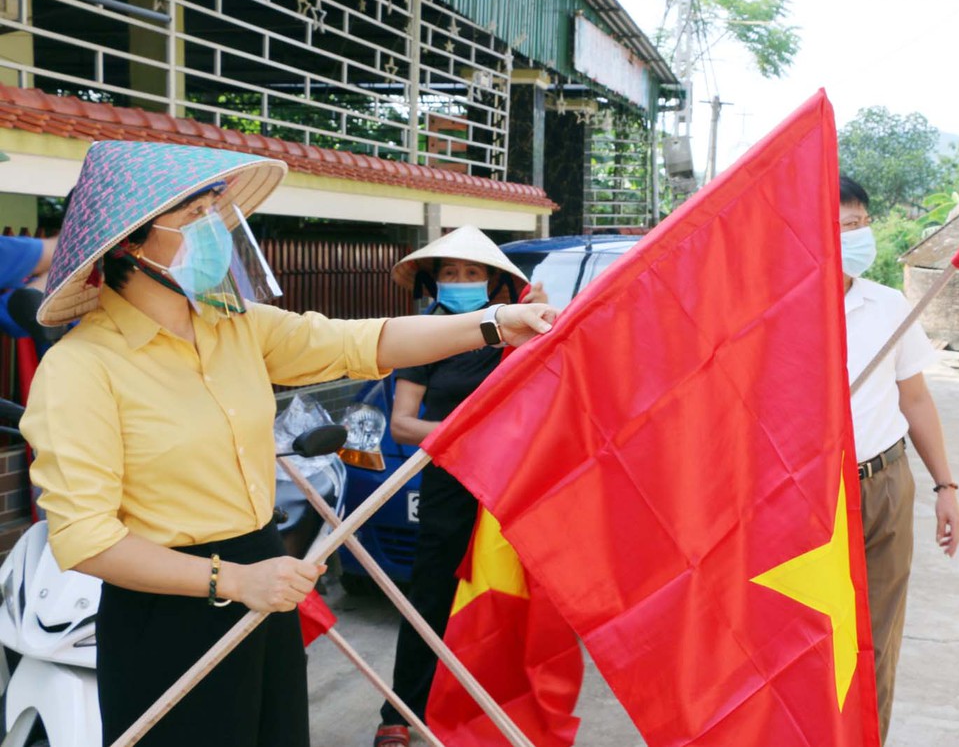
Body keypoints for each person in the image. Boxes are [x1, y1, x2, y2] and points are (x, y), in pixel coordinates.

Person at [19, 141, 557, 747]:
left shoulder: (235, 324)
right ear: (131, 246)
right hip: (169, 605)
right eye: (195, 216)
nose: (215, 232)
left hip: (266, 571)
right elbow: (85, 540)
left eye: (217, 214)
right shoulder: (81, 367)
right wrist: (232, 581)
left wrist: (490, 325)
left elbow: (358, 343)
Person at [373, 226, 544, 747]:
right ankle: (398, 712)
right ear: (433, 281)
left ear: (494, 283)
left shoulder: (516, 334)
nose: (462, 280)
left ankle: (493, 707)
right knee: (430, 596)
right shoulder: (423, 337)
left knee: (507, 598)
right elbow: (403, 423)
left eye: (473, 273)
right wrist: (473, 436)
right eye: (450, 273)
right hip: (449, 485)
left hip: (511, 487)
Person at [838, 175, 959, 743]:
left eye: (861, 223)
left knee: (876, 636)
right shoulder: (775, 310)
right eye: (843, 225)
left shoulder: (886, 305)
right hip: (809, 494)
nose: (857, 235)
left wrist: (947, 487)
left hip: (885, 486)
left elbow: (914, 397)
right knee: (807, 635)